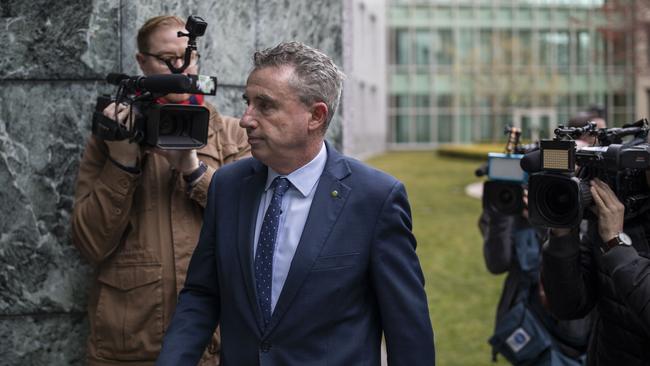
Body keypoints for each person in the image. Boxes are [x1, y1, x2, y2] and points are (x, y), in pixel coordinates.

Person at [156, 41, 435, 366]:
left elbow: (407, 332)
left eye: (265, 106)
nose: (246, 119)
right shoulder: (227, 185)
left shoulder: (375, 198)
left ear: (316, 116)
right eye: (248, 103)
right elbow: (202, 294)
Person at [71, 15, 250, 366]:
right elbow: (89, 243)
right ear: (141, 62)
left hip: (215, 345)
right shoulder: (114, 134)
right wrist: (122, 162)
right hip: (132, 346)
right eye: (166, 60)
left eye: (188, 57)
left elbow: (250, 229)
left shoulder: (233, 136)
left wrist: (192, 170)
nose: (179, 68)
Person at [542, 173, 650, 365]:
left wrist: (616, 244)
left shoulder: (613, 230)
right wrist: (562, 235)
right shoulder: (618, 214)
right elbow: (568, 306)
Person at [479, 191, 592, 365]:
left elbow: (583, 254)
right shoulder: (507, 194)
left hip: (570, 329)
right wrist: (501, 210)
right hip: (526, 321)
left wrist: (545, 218)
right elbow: (497, 263)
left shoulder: (569, 189)